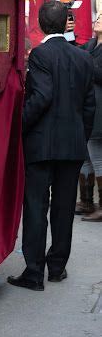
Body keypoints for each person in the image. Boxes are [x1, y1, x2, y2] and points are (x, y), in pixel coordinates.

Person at [8, 1, 95, 292]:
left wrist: (21, 125)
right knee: (63, 207)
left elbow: (41, 97)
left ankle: (34, 272)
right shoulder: (83, 58)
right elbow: (89, 105)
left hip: (41, 143)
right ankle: (57, 268)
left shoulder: (41, 54)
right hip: (71, 144)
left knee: (36, 206)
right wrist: (80, 137)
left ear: (42, 25)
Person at [77, 13, 102, 222]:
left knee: (97, 156)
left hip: (100, 109)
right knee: (84, 153)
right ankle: (86, 201)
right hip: (86, 106)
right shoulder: (90, 45)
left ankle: (101, 206)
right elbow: (74, 54)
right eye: (97, 16)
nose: (97, 19)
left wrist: (87, 65)